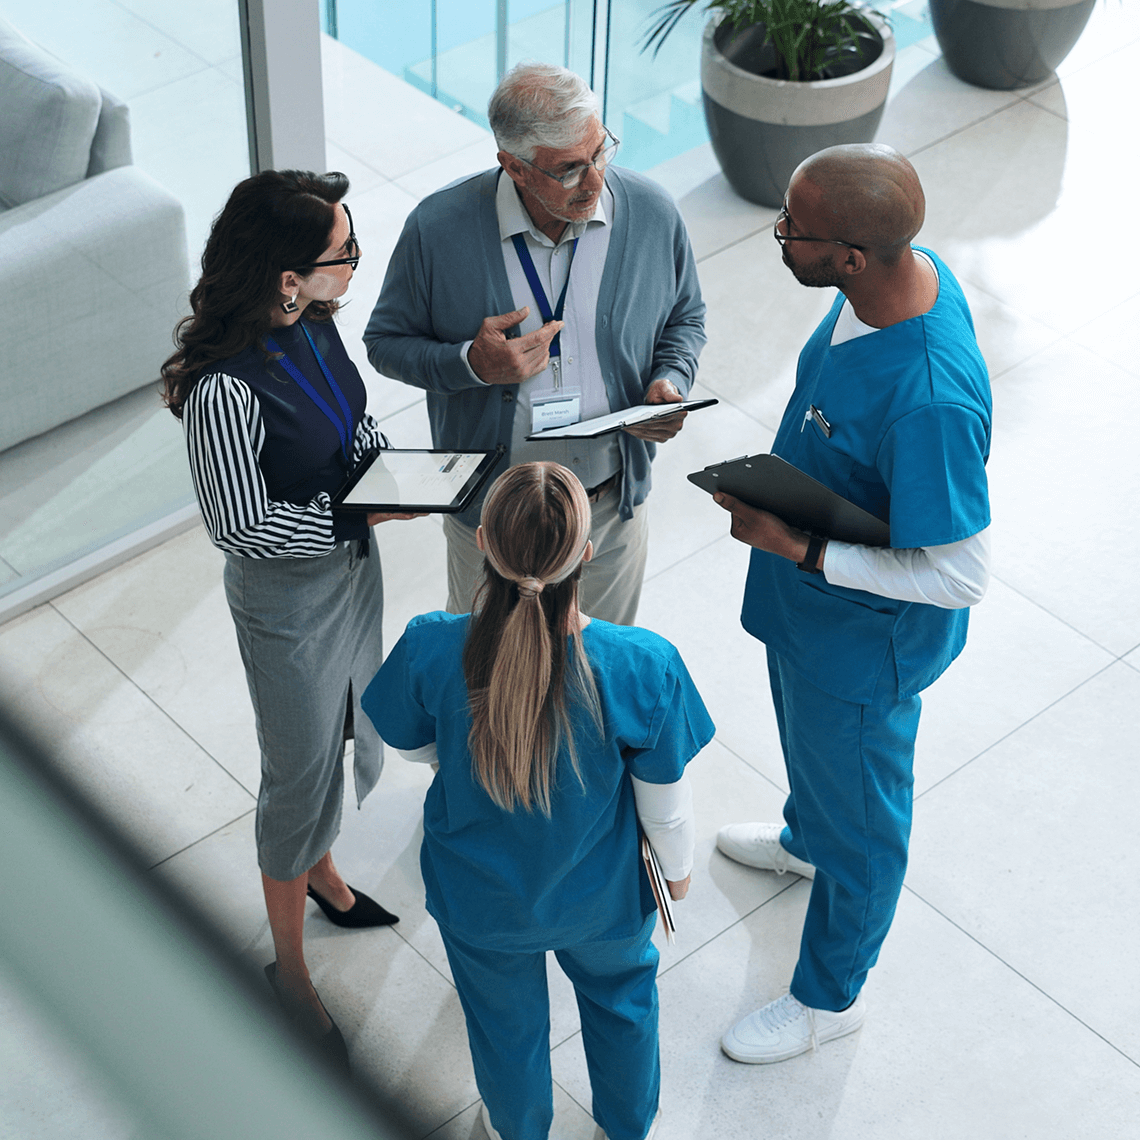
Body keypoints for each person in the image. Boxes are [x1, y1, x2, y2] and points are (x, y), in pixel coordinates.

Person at [712, 145, 992, 1063]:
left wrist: (804, 548)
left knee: (866, 831)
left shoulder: (932, 397)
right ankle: (805, 839)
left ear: (854, 259)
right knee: (808, 755)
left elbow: (958, 575)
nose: (780, 235)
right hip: (807, 606)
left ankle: (831, 998)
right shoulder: (886, 280)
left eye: (794, 229)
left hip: (861, 647)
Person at [362, 462, 714, 1140]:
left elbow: (410, 750)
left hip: (481, 901)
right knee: (623, 1007)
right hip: (605, 901)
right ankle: (627, 1126)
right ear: (587, 554)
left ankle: (517, 1129)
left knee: (504, 1028)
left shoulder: (429, 646)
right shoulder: (644, 663)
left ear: (484, 542)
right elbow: (665, 804)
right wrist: (674, 871)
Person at [161, 169, 417, 1068]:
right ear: (285, 276)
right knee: (298, 771)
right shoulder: (222, 392)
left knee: (346, 723)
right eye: (342, 255)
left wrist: (391, 473)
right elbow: (241, 527)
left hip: (349, 574)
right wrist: (357, 513)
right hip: (290, 602)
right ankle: (290, 971)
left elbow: (349, 426)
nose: (353, 267)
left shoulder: (313, 324)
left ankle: (322, 873)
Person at [363, 62, 706, 626]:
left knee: (597, 676)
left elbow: (685, 316)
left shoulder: (649, 211)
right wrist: (471, 364)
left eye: (600, 152)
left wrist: (671, 380)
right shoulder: (437, 228)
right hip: (489, 515)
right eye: (569, 169)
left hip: (608, 510)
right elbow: (385, 343)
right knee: (484, 676)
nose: (594, 181)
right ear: (513, 167)